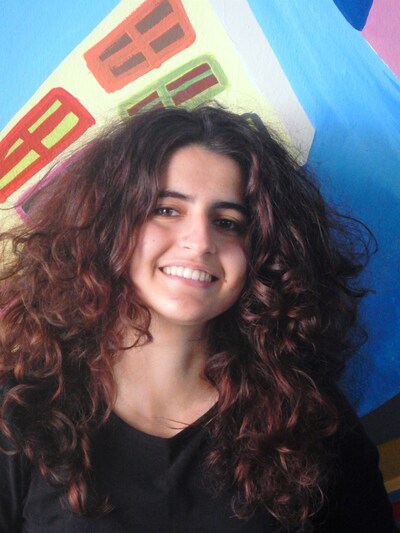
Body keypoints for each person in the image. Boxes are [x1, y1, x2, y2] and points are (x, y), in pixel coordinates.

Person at [0, 105, 396, 532]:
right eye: (167, 210)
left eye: (228, 222)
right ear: (107, 223)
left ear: (263, 254)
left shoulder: (311, 419)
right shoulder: (19, 411)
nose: (200, 241)